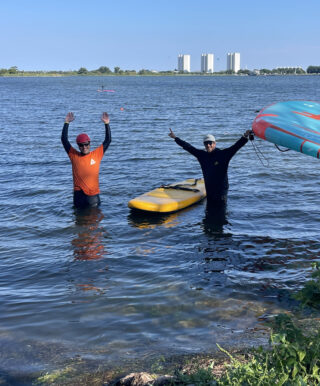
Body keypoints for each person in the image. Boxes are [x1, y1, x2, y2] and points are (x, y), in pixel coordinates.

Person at [168, 128, 251, 212]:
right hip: (209, 190)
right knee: (209, 213)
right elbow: (188, 147)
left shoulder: (223, 155)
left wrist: (245, 136)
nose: (208, 145)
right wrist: (175, 138)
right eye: (206, 143)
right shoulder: (202, 155)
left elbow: (236, 147)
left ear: (214, 144)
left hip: (221, 192)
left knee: (220, 214)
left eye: (210, 143)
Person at [61, 112, 111, 208]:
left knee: (94, 221)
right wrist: (66, 123)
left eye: (86, 144)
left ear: (89, 143)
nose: (84, 147)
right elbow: (64, 140)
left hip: (93, 197)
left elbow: (108, 140)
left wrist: (106, 124)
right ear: (78, 146)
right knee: (78, 222)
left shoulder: (97, 154)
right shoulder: (73, 155)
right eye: (81, 145)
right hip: (78, 196)